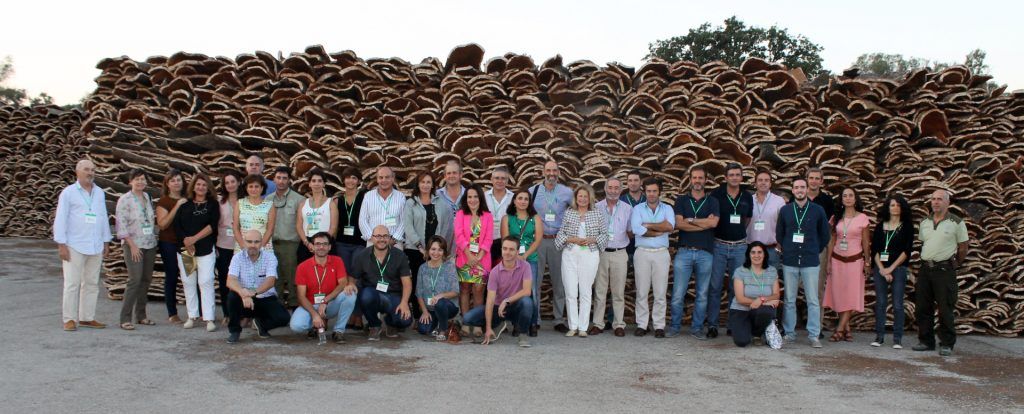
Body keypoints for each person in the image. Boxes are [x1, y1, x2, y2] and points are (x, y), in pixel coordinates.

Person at [54, 159, 113, 331]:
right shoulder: (69, 193)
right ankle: (69, 319)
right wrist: (61, 244)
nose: (90, 173)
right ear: (77, 171)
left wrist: (106, 241)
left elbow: (103, 217)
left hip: (95, 244)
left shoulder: (99, 193)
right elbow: (61, 218)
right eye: (86, 169)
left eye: (93, 170)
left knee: (91, 283)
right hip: (74, 244)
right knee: (72, 283)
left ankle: (87, 317)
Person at [776, 178, 831, 348]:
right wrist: (788, 248)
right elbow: (779, 233)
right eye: (796, 187)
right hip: (790, 260)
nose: (799, 190)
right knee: (789, 299)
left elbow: (825, 235)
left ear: (807, 189)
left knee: (813, 299)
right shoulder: (785, 210)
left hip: (810, 260)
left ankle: (814, 335)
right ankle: (789, 333)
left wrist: (814, 249)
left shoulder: (818, 210)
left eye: (802, 187)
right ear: (792, 191)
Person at [913, 190, 968, 357]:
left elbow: (963, 247)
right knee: (923, 306)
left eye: (940, 199)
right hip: (925, 269)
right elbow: (924, 242)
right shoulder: (925, 222)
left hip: (944, 270)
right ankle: (926, 341)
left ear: (947, 202)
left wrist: (956, 263)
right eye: (933, 199)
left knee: (945, 308)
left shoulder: (956, 222)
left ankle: (947, 343)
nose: (936, 202)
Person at [669, 166, 719, 339]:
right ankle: (675, 327)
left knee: (702, 295)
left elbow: (713, 224)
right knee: (678, 294)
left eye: (700, 178)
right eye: (695, 178)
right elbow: (679, 224)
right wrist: (703, 223)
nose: (697, 181)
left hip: (705, 253)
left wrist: (690, 220)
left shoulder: (712, 201)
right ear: (690, 180)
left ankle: (697, 328)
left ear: (705, 180)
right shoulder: (681, 200)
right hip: (684, 252)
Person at [707, 163, 753, 338]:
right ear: (725, 177)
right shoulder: (716, 195)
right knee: (715, 286)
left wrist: (737, 232)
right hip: (719, 245)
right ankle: (712, 325)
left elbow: (747, 219)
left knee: (736, 288)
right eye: (731, 175)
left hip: (739, 247)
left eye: (737, 175)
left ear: (741, 177)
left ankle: (733, 325)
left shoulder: (747, 196)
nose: (734, 178)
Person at [555, 184, 608, 337]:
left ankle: (583, 327)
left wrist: (593, 239)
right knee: (571, 291)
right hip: (570, 253)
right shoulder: (569, 212)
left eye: (585, 196)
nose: (583, 199)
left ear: (590, 198)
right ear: (576, 198)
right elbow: (561, 234)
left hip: (590, 254)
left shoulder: (597, 213)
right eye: (580, 196)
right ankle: (573, 326)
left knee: (585, 291)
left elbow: (604, 234)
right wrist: (572, 239)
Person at [463, 236, 535, 348]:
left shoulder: (525, 266)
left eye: (511, 249)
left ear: (517, 252)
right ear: (501, 250)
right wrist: (488, 328)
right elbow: (490, 301)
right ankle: (497, 324)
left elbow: (527, 291)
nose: (507, 252)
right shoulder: (495, 272)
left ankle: (523, 334)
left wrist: (507, 301)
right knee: (467, 318)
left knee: (527, 302)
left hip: (516, 307)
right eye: (505, 249)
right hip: (498, 309)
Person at [288, 232, 357, 344]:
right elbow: (301, 296)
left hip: (330, 304)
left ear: (329, 247)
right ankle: (315, 326)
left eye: (325, 244)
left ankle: (338, 331)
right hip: (310, 305)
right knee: (296, 326)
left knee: (350, 294)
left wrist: (325, 300)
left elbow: (342, 283)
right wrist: (314, 315)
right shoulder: (302, 267)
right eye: (318, 244)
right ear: (312, 246)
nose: (321, 247)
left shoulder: (337, 261)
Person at [530, 160, 574, 333]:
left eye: (554, 170)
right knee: (535, 281)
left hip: (558, 241)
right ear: (543, 172)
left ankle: (558, 319)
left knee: (559, 282)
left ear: (559, 172)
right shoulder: (533, 191)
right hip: (538, 241)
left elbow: (578, 210)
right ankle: (535, 318)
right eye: (548, 170)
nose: (551, 174)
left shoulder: (567, 192)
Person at [173, 173, 221, 332]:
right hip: (186, 250)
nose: (201, 187)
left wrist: (194, 239)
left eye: (204, 185)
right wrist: (186, 241)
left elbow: (212, 225)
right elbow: (177, 226)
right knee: (188, 282)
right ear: (193, 186)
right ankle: (192, 316)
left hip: (205, 249)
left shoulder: (213, 204)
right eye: (198, 184)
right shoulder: (184, 204)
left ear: (208, 188)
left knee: (206, 281)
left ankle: (209, 318)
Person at [225, 230, 291, 343]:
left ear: (261, 243)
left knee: (284, 318)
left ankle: (261, 324)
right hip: (243, 299)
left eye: (256, 242)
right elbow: (230, 281)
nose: (253, 245)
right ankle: (234, 331)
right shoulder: (237, 258)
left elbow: (270, 281)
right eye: (249, 242)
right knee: (232, 297)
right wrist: (243, 293)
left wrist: (253, 293)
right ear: (244, 242)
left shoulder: (270, 258)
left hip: (265, 297)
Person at [823, 187, 871, 342]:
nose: (848, 198)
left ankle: (839, 329)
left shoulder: (863, 218)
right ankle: (847, 328)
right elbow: (831, 241)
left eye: (851, 195)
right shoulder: (836, 217)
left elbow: (866, 242)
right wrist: (828, 261)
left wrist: (867, 261)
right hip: (837, 260)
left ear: (855, 199)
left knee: (851, 294)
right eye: (845, 196)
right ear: (841, 199)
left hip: (855, 261)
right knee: (839, 294)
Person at [403, 170, 454, 313]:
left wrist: (439, 247)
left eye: (428, 182)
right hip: (415, 250)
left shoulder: (441, 203)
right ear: (418, 184)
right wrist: (420, 247)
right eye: (422, 182)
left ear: (433, 185)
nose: (425, 185)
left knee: (433, 282)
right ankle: (418, 314)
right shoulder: (411, 203)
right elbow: (408, 227)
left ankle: (433, 312)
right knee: (417, 281)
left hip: (435, 252)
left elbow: (446, 225)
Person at [630, 178, 675, 338]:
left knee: (660, 292)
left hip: (661, 253)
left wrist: (647, 225)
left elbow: (669, 226)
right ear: (644, 192)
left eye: (654, 191)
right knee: (642, 291)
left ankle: (659, 326)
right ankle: (642, 324)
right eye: (649, 191)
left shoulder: (667, 208)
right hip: (642, 253)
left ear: (659, 192)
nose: (651, 194)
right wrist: (658, 230)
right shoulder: (637, 209)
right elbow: (636, 229)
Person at [351, 226, 414, 340]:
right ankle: (374, 325)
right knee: (365, 296)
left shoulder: (399, 255)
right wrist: (350, 284)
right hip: (372, 294)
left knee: (405, 321)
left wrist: (404, 302)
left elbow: (407, 283)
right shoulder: (363, 255)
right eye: (378, 236)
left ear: (389, 238)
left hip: (393, 295)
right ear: (372, 238)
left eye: (385, 236)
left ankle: (390, 322)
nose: (382, 239)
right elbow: (353, 277)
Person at [869, 195, 914, 349]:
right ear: (887, 208)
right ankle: (879, 337)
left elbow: (906, 251)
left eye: (898, 205)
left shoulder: (907, 227)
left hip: (898, 269)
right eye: (892, 205)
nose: (895, 208)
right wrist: (882, 269)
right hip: (880, 269)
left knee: (897, 304)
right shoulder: (880, 226)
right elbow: (875, 250)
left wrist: (891, 268)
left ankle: (897, 338)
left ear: (903, 208)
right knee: (881, 303)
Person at [115, 168, 158, 330]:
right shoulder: (125, 200)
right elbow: (121, 225)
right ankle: (125, 318)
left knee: (146, 280)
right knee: (134, 280)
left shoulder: (147, 197)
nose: (140, 182)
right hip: (133, 245)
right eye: (137, 179)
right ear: (130, 181)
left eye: (143, 179)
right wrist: (132, 246)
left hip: (149, 243)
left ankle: (141, 315)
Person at [590, 178, 631, 336]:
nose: (613, 191)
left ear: (621, 190)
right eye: (610, 187)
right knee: (600, 290)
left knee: (618, 291)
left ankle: (619, 324)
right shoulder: (596, 207)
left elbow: (630, 231)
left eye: (616, 188)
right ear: (605, 189)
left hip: (620, 253)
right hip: (601, 252)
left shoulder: (628, 209)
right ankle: (598, 323)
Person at [501, 188, 544, 336]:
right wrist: (514, 257)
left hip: (530, 259)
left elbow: (538, 239)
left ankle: (533, 323)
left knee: (532, 291)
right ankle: (517, 324)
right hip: (511, 260)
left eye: (526, 199)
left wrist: (525, 255)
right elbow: (505, 240)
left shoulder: (535, 218)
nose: (523, 201)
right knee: (514, 291)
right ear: (514, 201)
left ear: (529, 202)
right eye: (520, 198)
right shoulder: (507, 218)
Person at [454, 184, 494, 340]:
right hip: (464, 257)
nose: (472, 199)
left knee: (478, 290)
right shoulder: (460, 214)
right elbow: (459, 236)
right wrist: (469, 255)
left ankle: (477, 324)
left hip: (482, 259)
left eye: (475, 196)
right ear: (466, 199)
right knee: (464, 289)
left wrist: (479, 256)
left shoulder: (487, 216)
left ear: (480, 198)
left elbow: (489, 238)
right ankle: (465, 323)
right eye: (469, 197)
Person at [728, 242, 781, 347]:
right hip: (740, 310)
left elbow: (776, 295)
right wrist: (763, 301)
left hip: (760, 311)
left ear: (764, 254)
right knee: (742, 342)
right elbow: (740, 299)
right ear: (748, 255)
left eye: (760, 252)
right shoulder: (740, 271)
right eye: (753, 252)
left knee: (765, 311)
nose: (756, 255)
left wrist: (761, 300)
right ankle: (747, 329)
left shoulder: (771, 270)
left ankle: (757, 334)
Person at [269, 166, 305, 307]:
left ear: (289, 180)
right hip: (271, 244)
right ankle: (277, 307)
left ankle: (295, 305)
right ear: (274, 179)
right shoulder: (268, 199)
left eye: (284, 178)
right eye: (278, 178)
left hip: (291, 245)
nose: (281, 181)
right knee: (274, 277)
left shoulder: (299, 200)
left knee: (292, 278)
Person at [806, 167, 836, 335]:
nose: (814, 181)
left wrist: (829, 258)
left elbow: (830, 231)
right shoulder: (799, 196)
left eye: (817, 178)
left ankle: (816, 327)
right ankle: (790, 327)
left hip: (819, 250)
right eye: (811, 178)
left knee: (818, 290)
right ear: (807, 180)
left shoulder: (827, 201)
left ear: (821, 181)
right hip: (799, 249)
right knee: (795, 290)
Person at [156, 168, 186, 324]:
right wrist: (177, 206)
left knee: (191, 276)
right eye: (172, 180)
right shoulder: (164, 202)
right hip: (169, 243)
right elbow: (162, 224)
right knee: (172, 276)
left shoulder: (188, 199)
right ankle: (172, 313)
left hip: (186, 243)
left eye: (178, 180)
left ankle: (199, 312)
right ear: (167, 184)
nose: (176, 183)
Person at [415, 236, 460, 341]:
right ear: (428, 250)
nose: (436, 253)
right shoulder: (422, 268)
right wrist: (425, 311)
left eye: (440, 250)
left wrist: (441, 296)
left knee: (440, 303)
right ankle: (441, 323)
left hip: (448, 307)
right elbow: (419, 293)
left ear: (444, 252)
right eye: (433, 249)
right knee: (423, 329)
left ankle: (443, 330)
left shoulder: (449, 267)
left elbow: (456, 291)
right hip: (431, 309)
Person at [215, 170, 243, 325]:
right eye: (227, 183)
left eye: (233, 181)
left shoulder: (245, 200)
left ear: (238, 182)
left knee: (242, 280)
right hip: (223, 245)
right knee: (225, 279)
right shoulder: (220, 202)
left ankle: (242, 313)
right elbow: (213, 224)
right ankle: (227, 312)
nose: (230, 185)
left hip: (242, 246)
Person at [296, 168, 339, 264]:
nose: (316, 184)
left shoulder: (331, 203)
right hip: (307, 245)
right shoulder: (303, 204)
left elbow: (333, 226)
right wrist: (307, 243)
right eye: (314, 181)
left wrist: (322, 244)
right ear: (309, 184)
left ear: (324, 184)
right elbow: (299, 226)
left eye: (320, 181)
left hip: (326, 243)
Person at [358, 166, 406, 248]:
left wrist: (394, 239)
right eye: (381, 177)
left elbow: (404, 220)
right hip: (373, 243)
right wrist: (373, 238)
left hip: (395, 243)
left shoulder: (400, 197)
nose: (384, 180)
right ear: (377, 179)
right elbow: (362, 220)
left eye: (387, 177)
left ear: (393, 178)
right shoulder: (368, 196)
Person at [747, 170, 785, 268]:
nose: (763, 183)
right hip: (751, 249)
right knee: (751, 277)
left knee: (771, 277)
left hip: (771, 250)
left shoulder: (779, 201)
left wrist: (779, 246)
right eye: (760, 180)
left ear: (770, 183)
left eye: (766, 180)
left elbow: (784, 224)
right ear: (755, 183)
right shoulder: (748, 200)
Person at [334, 166, 367, 270]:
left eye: (354, 178)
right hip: (342, 243)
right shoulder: (337, 201)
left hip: (360, 243)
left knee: (356, 272)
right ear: (343, 180)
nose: (350, 181)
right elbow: (335, 224)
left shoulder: (365, 198)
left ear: (359, 181)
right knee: (344, 271)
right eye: (347, 177)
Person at [233, 174, 276, 252]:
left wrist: (259, 247)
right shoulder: (239, 203)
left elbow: (270, 229)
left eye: (256, 186)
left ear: (262, 188)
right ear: (246, 188)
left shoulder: (270, 205)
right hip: (242, 248)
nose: (253, 189)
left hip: (264, 248)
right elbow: (236, 227)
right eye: (250, 186)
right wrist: (243, 246)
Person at [485, 166, 513, 264]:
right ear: (491, 179)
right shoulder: (483, 197)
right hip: (486, 241)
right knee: (486, 270)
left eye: (503, 178)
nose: (500, 181)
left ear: (507, 180)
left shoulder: (513, 198)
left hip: (505, 241)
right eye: (497, 178)